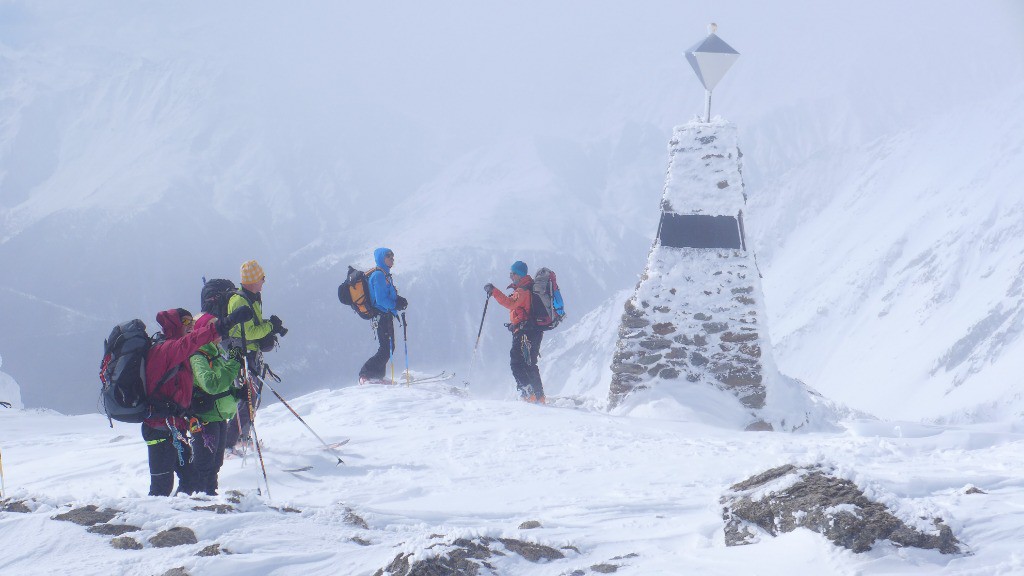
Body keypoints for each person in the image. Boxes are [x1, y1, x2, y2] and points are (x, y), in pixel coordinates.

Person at [142, 308, 227, 496]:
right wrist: (220, 327)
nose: (190, 326)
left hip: (174, 427)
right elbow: (193, 341)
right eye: (185, 322)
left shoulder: (177, 351)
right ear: (175, 324)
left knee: (192, 479)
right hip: (159, 428)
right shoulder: (168, 349)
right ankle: (151, 522)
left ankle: (181, 518)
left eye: (191, 321)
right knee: (161, 487)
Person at [224, 259, 287, 451]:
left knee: (252, 397)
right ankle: (230, 442)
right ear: (252, 280)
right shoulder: (240, 300)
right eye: (262, 278)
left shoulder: (252, 297)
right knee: (248, 397)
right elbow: (248, 332)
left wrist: (269, 326)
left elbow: (251, 328)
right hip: (242, 353)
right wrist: (269, 327)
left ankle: (242, 436)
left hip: (250, 353)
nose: (264, 282)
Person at [185, 313, 243, 496]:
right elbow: (211, 384)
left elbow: (218, 387)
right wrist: (234, 363)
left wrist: (235, 393)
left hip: (217, 416)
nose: (220, 331)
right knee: (204, 464)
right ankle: (201, 499)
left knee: (215, 463)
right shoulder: (198, 356)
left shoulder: (214, 353)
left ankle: (209, 496)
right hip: (204, 417)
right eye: (215, 327)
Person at [485, 261, 546, 403]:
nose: (510, 276)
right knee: (530, 363)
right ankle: (539, 396)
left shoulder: (523, 290)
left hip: (525, 332)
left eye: (512, 273)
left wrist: (493, 291)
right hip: (534, 330)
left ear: (519, 274)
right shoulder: (529, 287)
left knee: (516, 362)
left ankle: (527, 394)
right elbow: (524, 310)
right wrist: (515, 323)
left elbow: (509, 303)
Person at [358, 248, 408, 383]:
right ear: (381, 258)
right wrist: (395, 304)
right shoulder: (379, 275)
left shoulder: (385, 274)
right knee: (386, 348)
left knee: (388, 347)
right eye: (388, 256)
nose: (392, 258)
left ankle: (377, 377)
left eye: (393, 256)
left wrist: (398, 300)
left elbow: (386, 295)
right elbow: (381, 300)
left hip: (385, 314)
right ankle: (366, 374)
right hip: (382, 315)